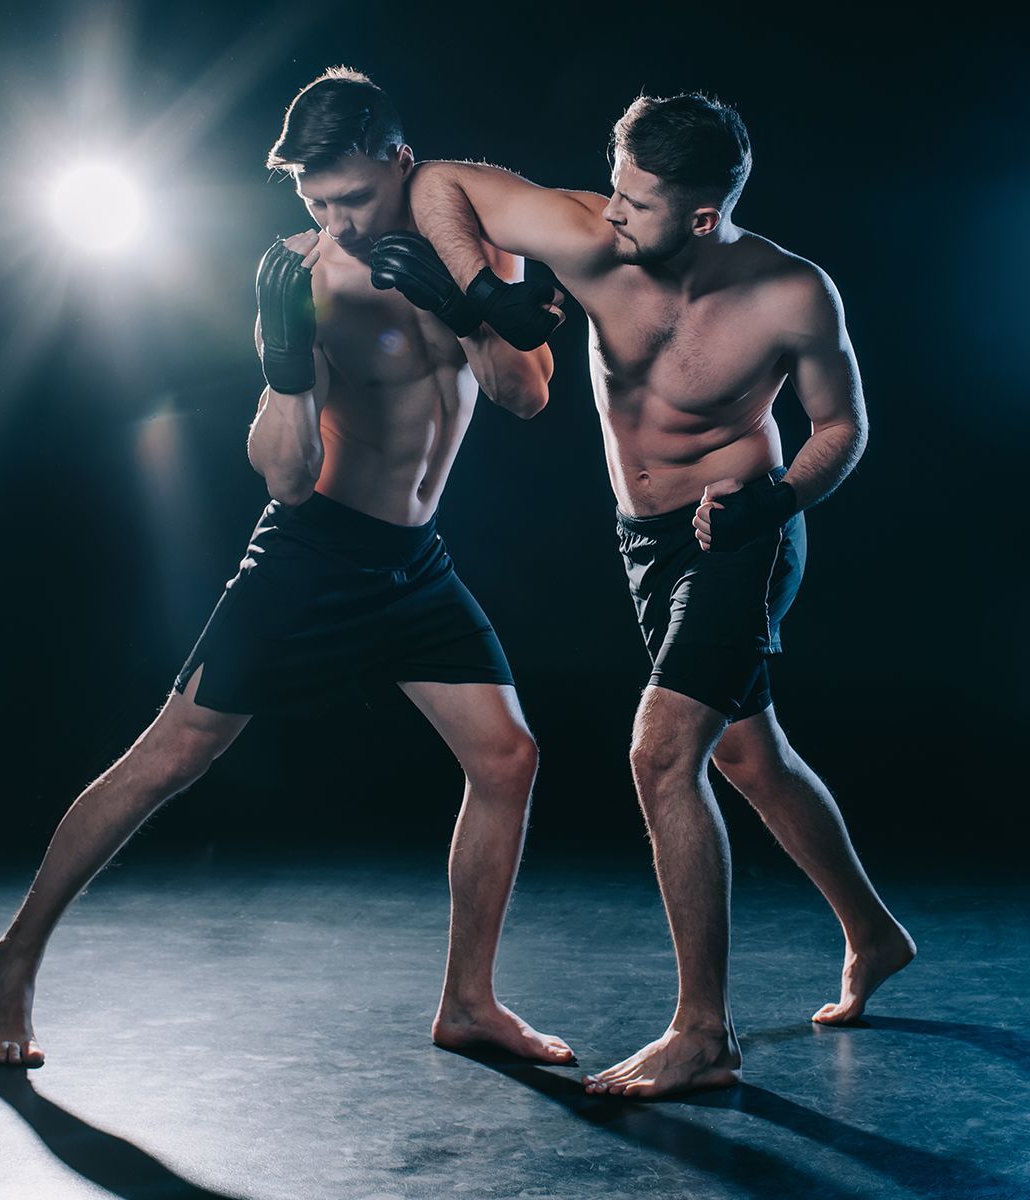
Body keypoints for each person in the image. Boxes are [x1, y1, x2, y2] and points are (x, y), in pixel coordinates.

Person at [0, 67, 574, 1069]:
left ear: (399, 159)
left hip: (413, 561)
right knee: (169, 758)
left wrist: (467, 309)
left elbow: (527, 395)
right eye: (314, 201)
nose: (335, 219)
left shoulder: (474, 243)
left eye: (351, 196)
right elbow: (287, 479)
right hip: (313, 555)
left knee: (508, 759)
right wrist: (286, 367)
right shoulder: (302, 275)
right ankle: (13, 958)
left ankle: (469, 1002)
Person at [409, 92, 914, 1099]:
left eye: (640, 202)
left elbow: (842, 427)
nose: (617, 214)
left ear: (699, 213)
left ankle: (703, 1034)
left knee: (660, 753)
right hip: (641, 544)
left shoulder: (789, 293)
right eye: (619, 185)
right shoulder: (592, 238)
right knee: (748, 756)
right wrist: (485, 293)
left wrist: (778, 494)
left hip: (740, 539)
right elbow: (438, 186)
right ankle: (874, 932)